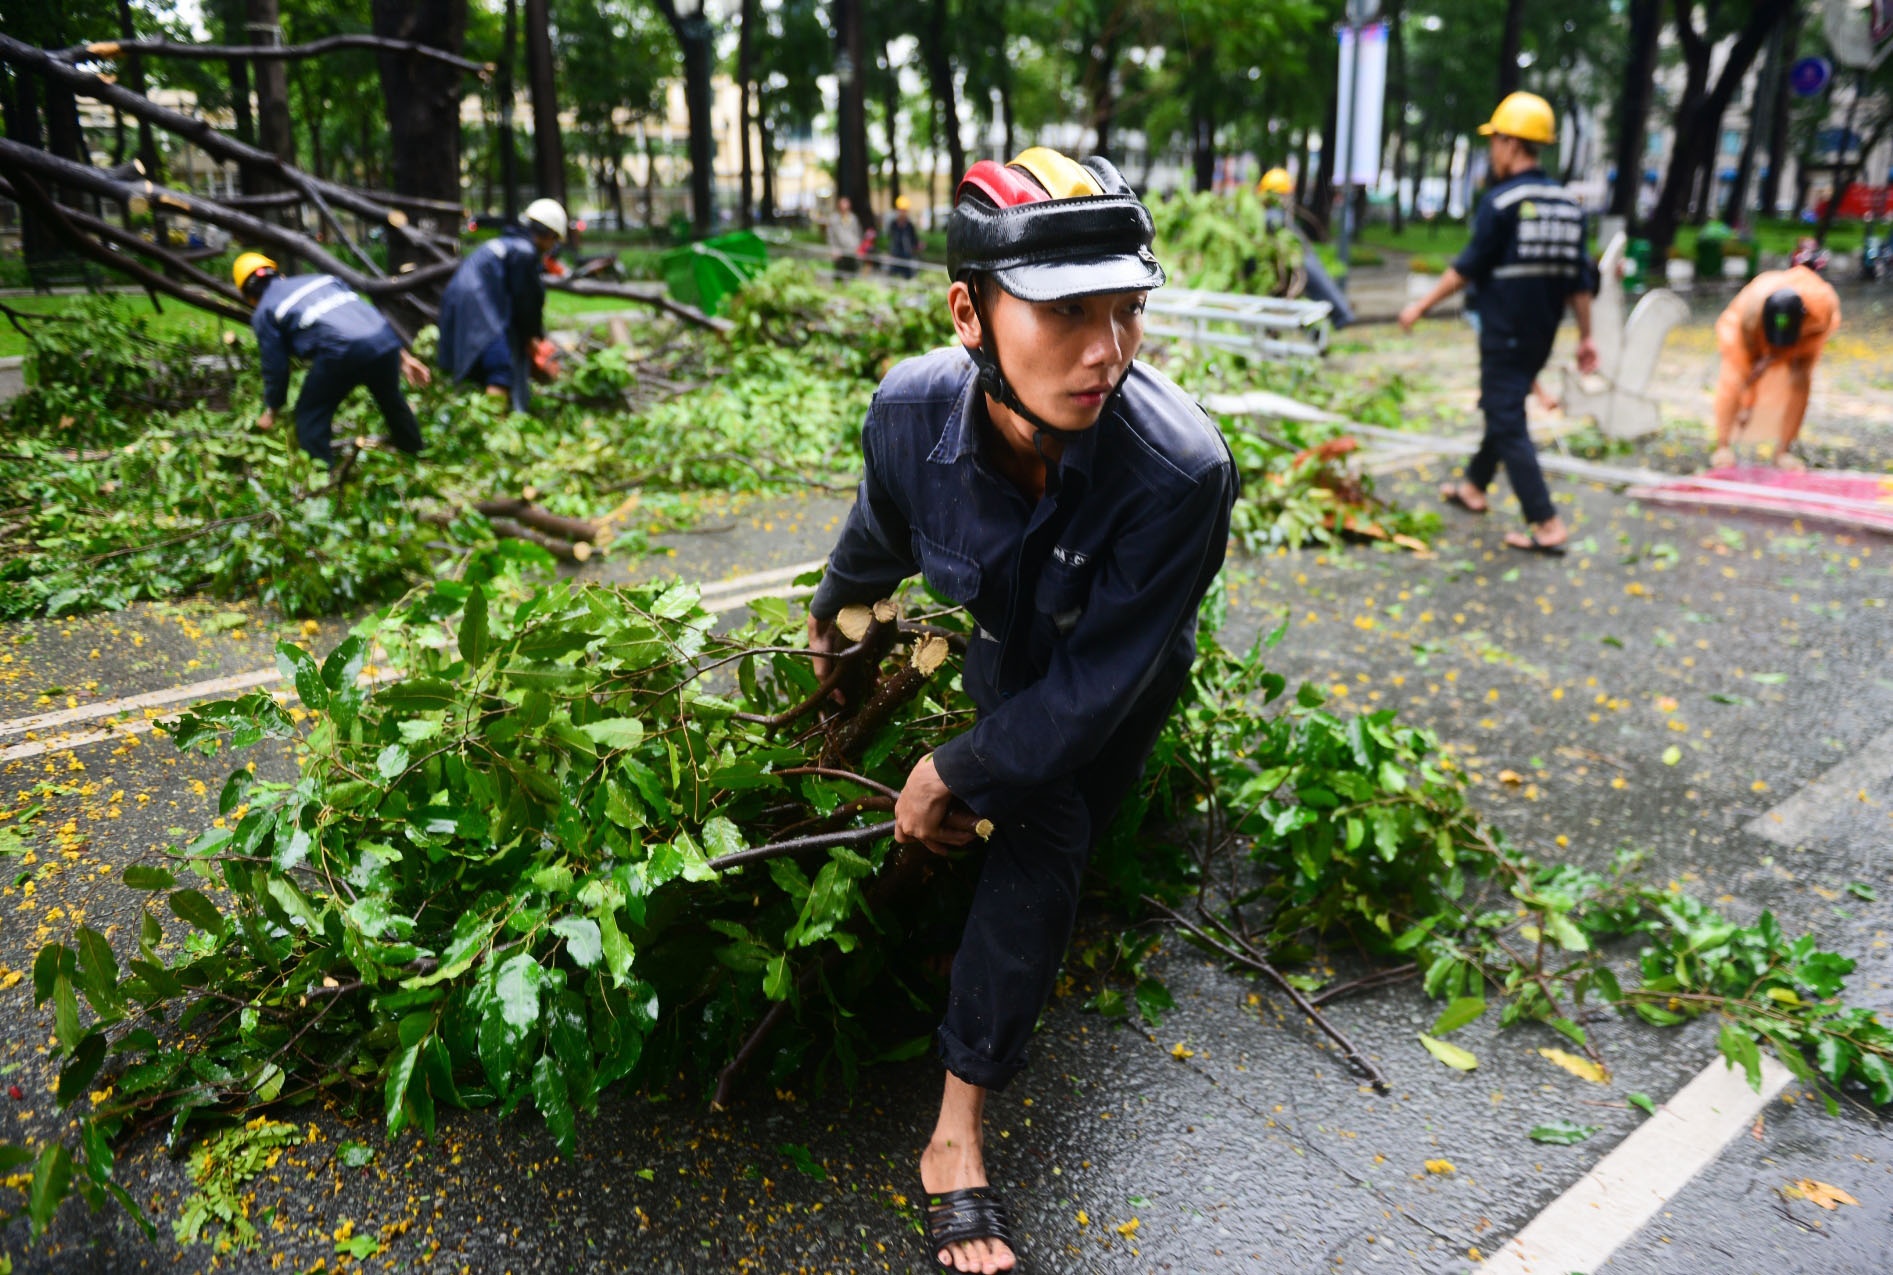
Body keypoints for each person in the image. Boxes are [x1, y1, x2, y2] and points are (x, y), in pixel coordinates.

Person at [806, 147, 1235, 1274]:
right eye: (1067, 313)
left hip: (1118, 669)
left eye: (1128, 312)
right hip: (1005, 643)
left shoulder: (1180, 473)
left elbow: (1091, 690)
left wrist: (949, 770)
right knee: (1013, 804)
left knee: (1046, 818)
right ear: (970, 312)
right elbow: (876, 539)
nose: (1108, 352)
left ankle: (955, 1138)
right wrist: (833, 621)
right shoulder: (908, 416)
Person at [1398, 91, 1598, 555]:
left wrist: (1420, 306)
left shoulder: (1502, 201)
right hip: (1540, 335)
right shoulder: (1568, 206)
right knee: (1501, 405)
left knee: (1506, 417)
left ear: (1510, 143)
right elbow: (1580, 282)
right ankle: (1473, 486)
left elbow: (1466, 267)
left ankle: (1545, 522)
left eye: (1495, 141)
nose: (1493, 151)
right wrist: (1587, 337)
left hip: (1504, 330)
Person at [234, 252, 429, 467]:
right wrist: (403, 356)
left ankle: (322, 481)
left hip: (343, 352)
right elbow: (363, 314)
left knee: (310, 416)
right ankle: (416, 455)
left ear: (248, 295)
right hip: (382, 337)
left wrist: (272, 409)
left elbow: (276, 367)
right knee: (391, 399)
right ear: (279, 275)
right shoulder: (321, 280)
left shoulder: (265, 311)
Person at [438, 197, 566, 412]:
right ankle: (494, 427)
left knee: (479, 370)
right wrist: (533, 336)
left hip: (458, 301)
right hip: (478, 305)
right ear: (549, 235)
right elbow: (527, 300)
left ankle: (476, 420)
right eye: (554, 240)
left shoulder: (508, 244)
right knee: (500, 367)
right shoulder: (524, 252)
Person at [1709, 262, 1840, 471]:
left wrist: (1781, 354)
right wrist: (1748, 404)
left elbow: (1815, 340)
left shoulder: (1820, 309)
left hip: (1802, 341)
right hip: (1749, 335)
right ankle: (1722, 444)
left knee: (1800, 381)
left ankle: (1784, 450)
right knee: (1735, 378)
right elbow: (1746, 370)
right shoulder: (1749, 315)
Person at [827, 195, 863, 277]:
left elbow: (857, 233)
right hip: (840, 251)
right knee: (839, 273)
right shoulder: (834, 218)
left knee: (853, 273)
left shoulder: (853, 218)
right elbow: (830, 236)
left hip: (852, 249)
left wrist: (858, 247)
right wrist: (833, 249)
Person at [888, 195, 920, 279]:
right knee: (893, 276)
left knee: (907, 277)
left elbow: (914, 240)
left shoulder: (909, 225)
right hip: (895, 254)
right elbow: (891, 237)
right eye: (901, 210)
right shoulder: (893, 224)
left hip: (906, 255)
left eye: (904, 211)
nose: (902, 213)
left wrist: (917, 246)